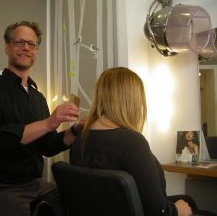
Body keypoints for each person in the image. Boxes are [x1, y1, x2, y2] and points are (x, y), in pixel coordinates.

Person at [70, 67, 216, 216]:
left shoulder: (80, 140)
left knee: (187, 199)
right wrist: (177, 211)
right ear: (132, 101)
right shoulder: (132, 143)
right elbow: (158, 211)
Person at [0, 21, 82, 216]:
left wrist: (75, 131)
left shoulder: (38, 97)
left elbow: (47, 146)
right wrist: (48, 122)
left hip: (35, 184)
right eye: (19, 42)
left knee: (74, 202)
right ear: (7, 47)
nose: (26, 48)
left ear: (36, 51)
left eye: (32, 44)